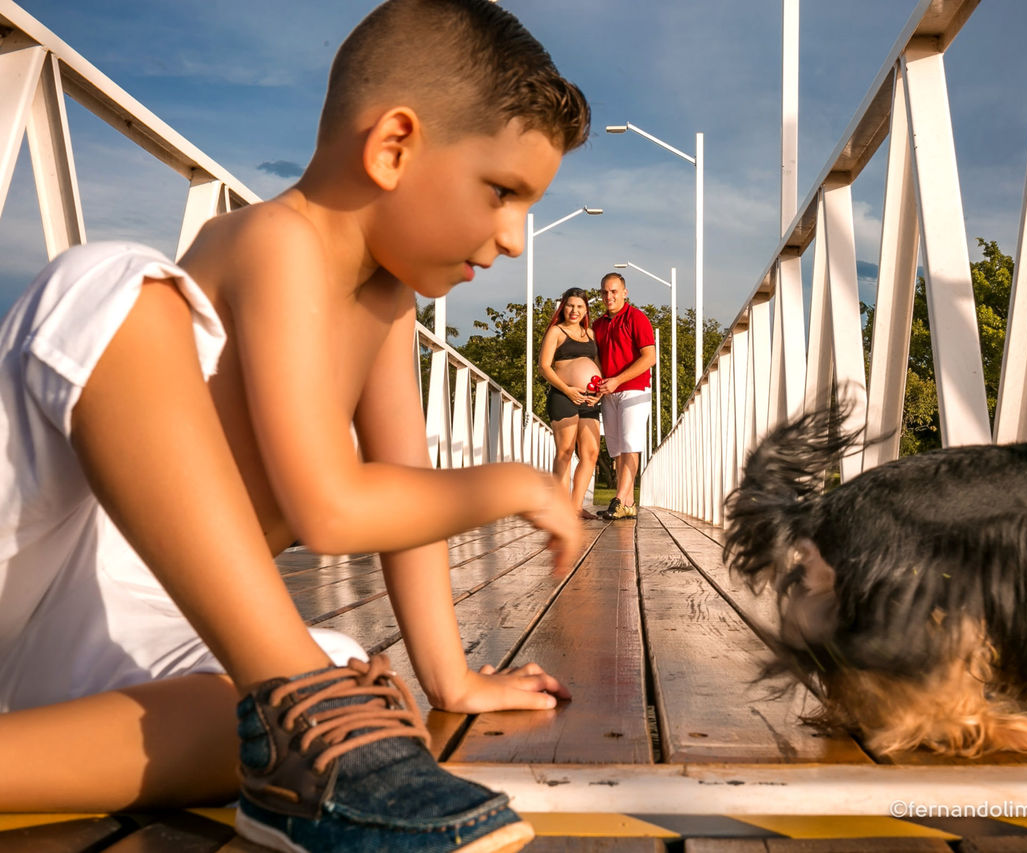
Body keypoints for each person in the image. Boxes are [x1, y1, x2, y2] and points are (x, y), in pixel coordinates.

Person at [0, 1, 589, 851]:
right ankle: (289, 692)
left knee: (318, 687)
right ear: (393, 147)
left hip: (119, 636)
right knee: (120, 285)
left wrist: (450, 678)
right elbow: (329, 509)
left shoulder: (388, 305)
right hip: (36, 554)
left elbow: (408, 493)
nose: (514, 238)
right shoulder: (277, 239)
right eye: (503, 192)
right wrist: (515, 485)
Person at [592, 272, 657, 520]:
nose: (609, 296)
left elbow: (649, 357)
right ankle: (628, 503)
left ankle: (619, 499)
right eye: (604, 292)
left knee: (631, 444)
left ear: (624, 292)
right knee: (617, 449)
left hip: (634, 389)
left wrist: (618, 379)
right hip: (609, 392)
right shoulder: (598, 325)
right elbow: (597, 360)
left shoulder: (637, 318)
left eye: (614, 291)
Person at [538, 288, 603, 520]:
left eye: (579, 306)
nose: (574, 310)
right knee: (565, 451)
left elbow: (598, 365)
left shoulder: (590, 334)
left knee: (591, 453)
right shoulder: (556, 331)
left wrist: (599, 393)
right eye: (570, 305)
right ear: (563, 307)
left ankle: (576, 507)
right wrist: (567, 390)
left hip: (589, 399)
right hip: (564, 396)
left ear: (586, 310)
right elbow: (544, 366)